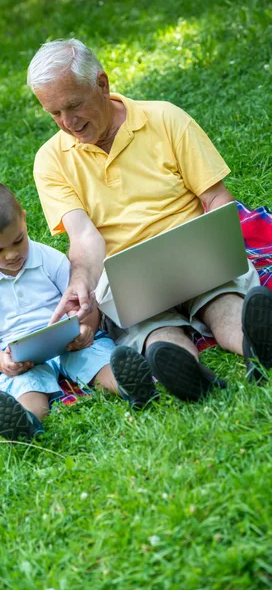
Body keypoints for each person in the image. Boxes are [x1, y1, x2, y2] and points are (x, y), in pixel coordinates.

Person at [27, 38, 272, 400]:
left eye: (74, 106)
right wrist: (80, 283)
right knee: (156, 333)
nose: (68, 122)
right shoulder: (50, 161)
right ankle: (187, 373)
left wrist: (221, 245)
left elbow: (215, 196)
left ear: (102, 84)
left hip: (193, 251)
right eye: (54, 114)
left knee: (226, 304)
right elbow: (82, 236)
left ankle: (258, 349)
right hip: (128, 279)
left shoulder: (165, 118)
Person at [0, 182, 158, 441]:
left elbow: (82, 298)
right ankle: (26, 422)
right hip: (23, 358)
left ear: (24, 218)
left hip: (68, 340)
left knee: (97, 358)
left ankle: (132, 386)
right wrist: (3, 363)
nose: (11, 254)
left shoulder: (48, 258)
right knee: (27, 387)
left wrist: (87, 328)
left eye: (18, 240)